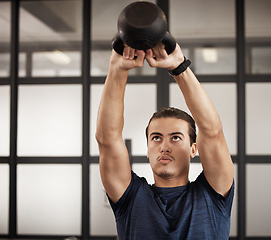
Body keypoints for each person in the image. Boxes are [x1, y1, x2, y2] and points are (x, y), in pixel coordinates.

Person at [96, 42, 235, 239]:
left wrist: (179, 67)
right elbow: (107, 139)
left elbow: (212, 131)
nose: (164, 146)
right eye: (156, 138)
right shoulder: (131, 197)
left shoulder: (213, 194)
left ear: (193, 149)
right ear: (147, 149)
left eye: (176, 137)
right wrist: (117, 69)